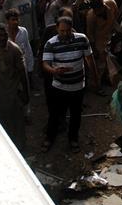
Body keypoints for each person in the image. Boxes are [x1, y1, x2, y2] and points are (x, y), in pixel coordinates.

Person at [41, 16, 97, 153]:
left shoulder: (82, 39)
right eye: (62, 31)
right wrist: (54, 70)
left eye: (67, 31)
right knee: (55, 115)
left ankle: (73, 139)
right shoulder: (51, 43)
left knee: (75, 115)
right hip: (59, 87)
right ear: (57, 29)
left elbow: (89, 58)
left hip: (78, 87)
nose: (65, 33)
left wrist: (96, 77)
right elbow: (45, 64)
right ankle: (49, 138)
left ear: (72, 29)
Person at [0, 24, 28, 153]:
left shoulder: (14, 50)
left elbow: (23, 73)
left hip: (13, 92)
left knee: (17, 123)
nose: (3, 38)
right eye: (0, 35)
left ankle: (20, 150)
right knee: (3, 123)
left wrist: (26, 94)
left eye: (5, 35)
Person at [85, 0, 118, 93]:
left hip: (111, 32)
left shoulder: (111, 3)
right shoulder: (90, 16)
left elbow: (116, 14)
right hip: (99, 38)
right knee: (100, 63)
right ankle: (95, 85)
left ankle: (108, 78)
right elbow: (90, 34)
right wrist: (94, 49)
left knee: (111, 59)